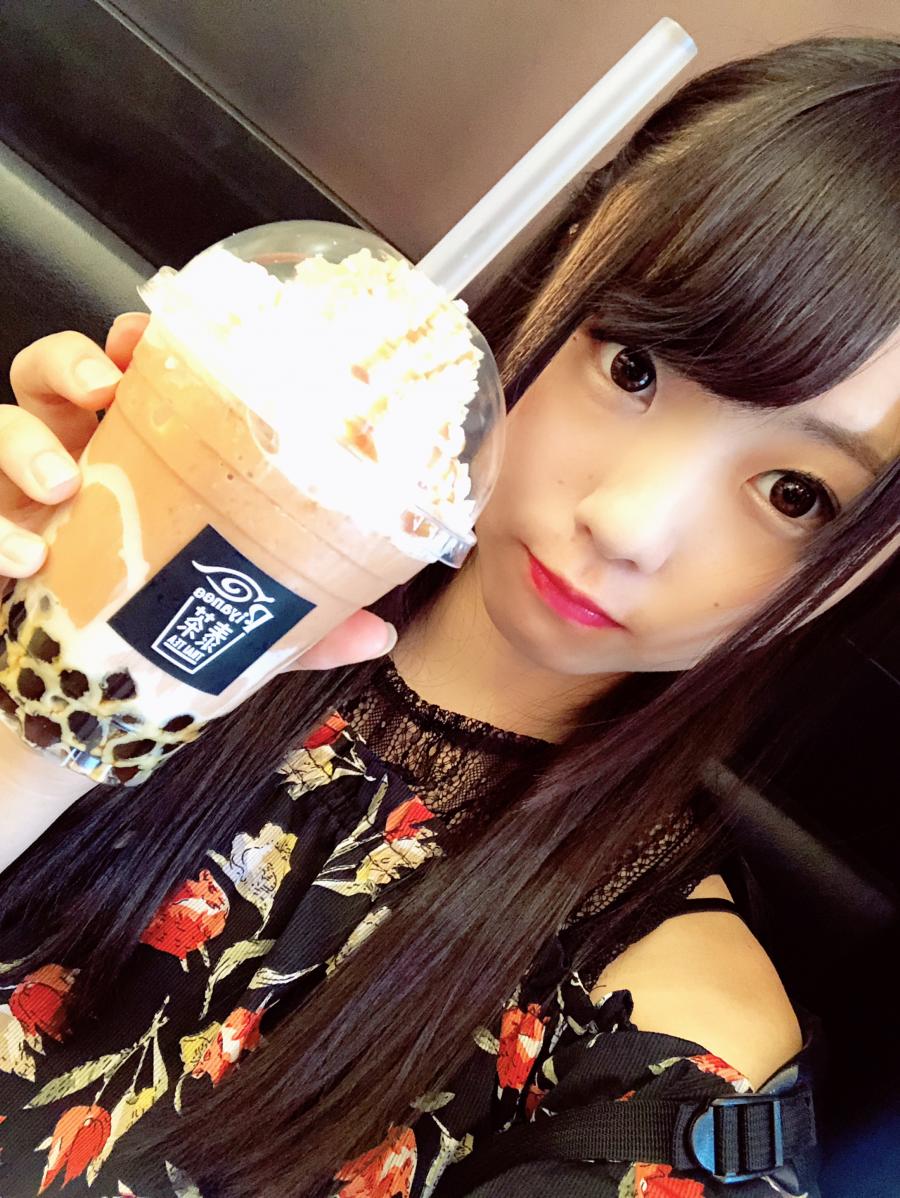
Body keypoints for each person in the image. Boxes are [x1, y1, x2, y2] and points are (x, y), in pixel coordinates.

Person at [0, 34, 897, 1198]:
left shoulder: (665, 1064)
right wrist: (47, 676)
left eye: (794, 494)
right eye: (633, 367)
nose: (628, 523)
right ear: (561, 270)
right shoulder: (154, 581)